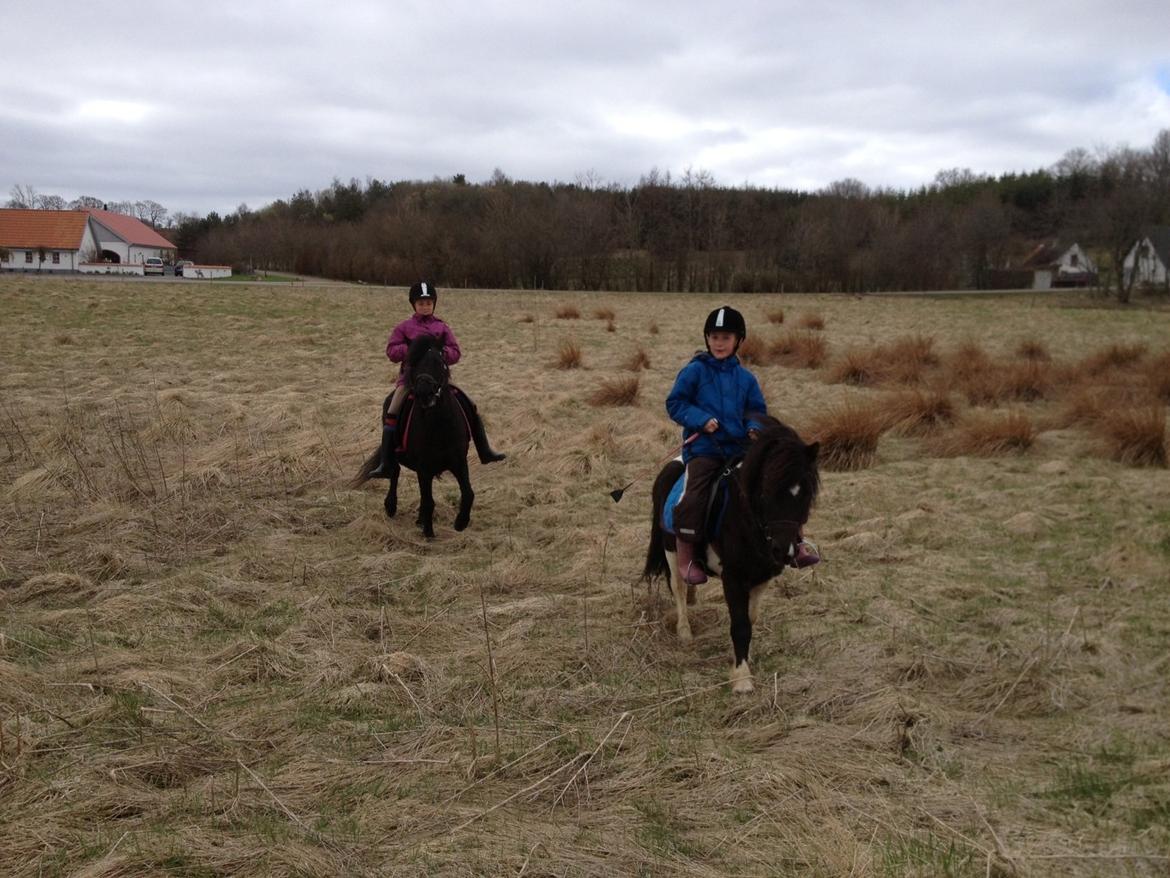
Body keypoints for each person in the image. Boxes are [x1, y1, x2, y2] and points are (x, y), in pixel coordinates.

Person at [665, 305, 767, 585]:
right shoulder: (694, 372)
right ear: (707, 338)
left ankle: (794, 544)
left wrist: (755, 428)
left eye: (726, 337)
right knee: (693, 494)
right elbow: (675, 403)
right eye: (714, 337)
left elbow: (756, 410)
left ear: (739, 341)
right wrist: (700, 419)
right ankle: (686, 558)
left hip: (740, 449)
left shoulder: (746, 379)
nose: (719, 343)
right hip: (705, 450)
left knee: (776, 485)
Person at [370, 281, 505, 477]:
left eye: (428, 303)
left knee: (471, 405)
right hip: (410, 381)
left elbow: (456, 352)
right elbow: (391, 351)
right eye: (420, 303)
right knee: (392, 410)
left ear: (434, 304)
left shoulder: (441, 327)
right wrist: (412, 351)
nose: (425, 306)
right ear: (413, 305)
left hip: (439, 380)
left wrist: (440, 353)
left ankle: (485, 451)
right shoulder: (404, 328)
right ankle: (386, 461)